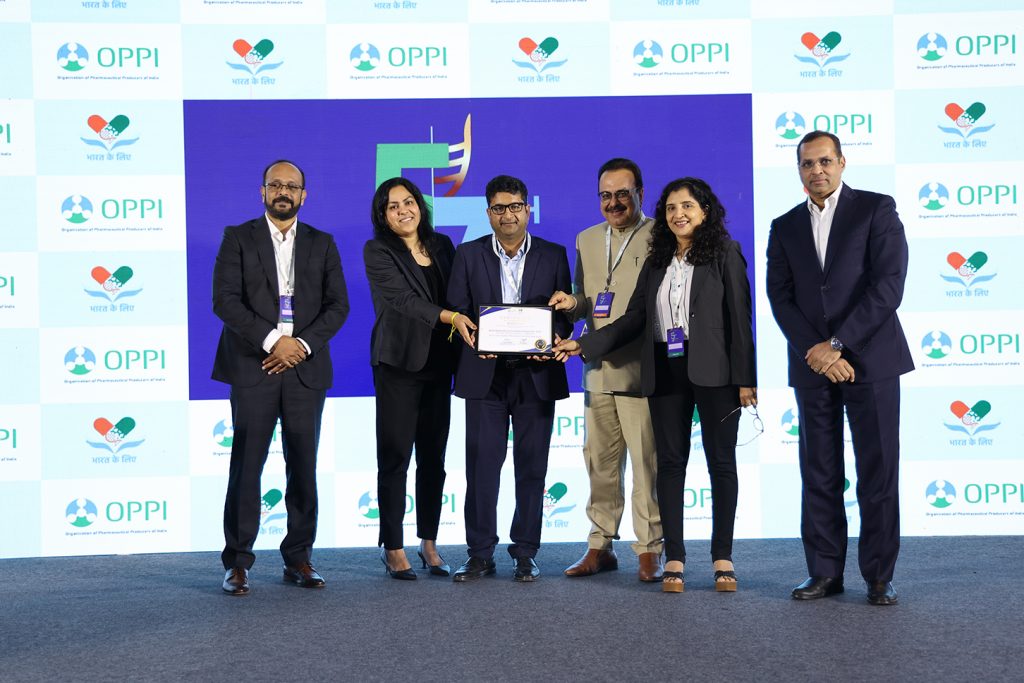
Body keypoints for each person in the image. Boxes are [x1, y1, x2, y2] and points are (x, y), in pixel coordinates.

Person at [554, 177, 756, 594]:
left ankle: (722, 557)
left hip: (717, 374)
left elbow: (740, 320)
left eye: (688, 206)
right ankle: (675, 557)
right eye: (671, 208)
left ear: (705, 211)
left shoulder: (725, 253)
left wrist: (745, 381)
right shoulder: (658, 260)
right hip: (665, 371)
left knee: (721, 465)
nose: (679, 214)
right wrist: (584, 345)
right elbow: (633, 319)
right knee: (669, 465)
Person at [766, 131, 913, 606]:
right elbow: (779, 297)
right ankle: (824, 572)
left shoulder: (876, 209)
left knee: (878, 471)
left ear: (842, 162)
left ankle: (879, 576)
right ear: (799, 170)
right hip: (812, 365)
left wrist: (837, 345)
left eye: (825, 161)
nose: (817, 170)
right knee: (820, 471)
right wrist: (817, 351)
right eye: (808, 163)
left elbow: (889, 285)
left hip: (871, 360)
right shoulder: (784, 225)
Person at [213, 159, 349, 596]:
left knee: (303, 467)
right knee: (246, 466)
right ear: (263, 191)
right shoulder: (237, 237)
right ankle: (238, 562)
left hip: (305, 369)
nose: (283, 192)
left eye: (292, 186)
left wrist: (300, 346)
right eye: (275, 185)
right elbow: (225, 301)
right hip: (254, 366)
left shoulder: (322, 243)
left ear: (304, 195)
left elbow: (338, 306)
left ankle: (299, 558)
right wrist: (275, 341)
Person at [446, 174, 572, 583]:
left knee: (532, 468)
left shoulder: (553, 255)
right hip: (486, 375)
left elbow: (565, 314)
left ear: (527, 209)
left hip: (536, 375)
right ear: (488, 213)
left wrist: (555, 336)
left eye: (515, 206)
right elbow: (457, 309)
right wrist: (473, 340)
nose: (508, 215)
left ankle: (525, 552)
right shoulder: (468, 254)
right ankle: (480, 554)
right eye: (499, 208)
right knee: (482, 468)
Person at [547, 158, 663, 582]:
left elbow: (646, 309)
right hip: (596, 370)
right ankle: (600, 545)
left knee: (646, 464)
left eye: (622, 194)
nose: (614, 203)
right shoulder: (587, 238)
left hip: (640, 370)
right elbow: (588, 298)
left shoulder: (660, 235)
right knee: (599, 463)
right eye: (605, 195)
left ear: (640, 194)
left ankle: (650, 549)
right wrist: (571, 303)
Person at [363, 177, 474, 580]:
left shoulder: (442, 245)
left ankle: (429, 542)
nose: (403, 211)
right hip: (397, 364)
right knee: (395, 458)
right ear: (383, 215)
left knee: (434, 459)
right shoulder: (377, 250)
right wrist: (450, 316)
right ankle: (393, 547)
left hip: (439, 364)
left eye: (408, 202)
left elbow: (462, 294)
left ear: (419, 206)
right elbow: (403, 300)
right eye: (392, 206)